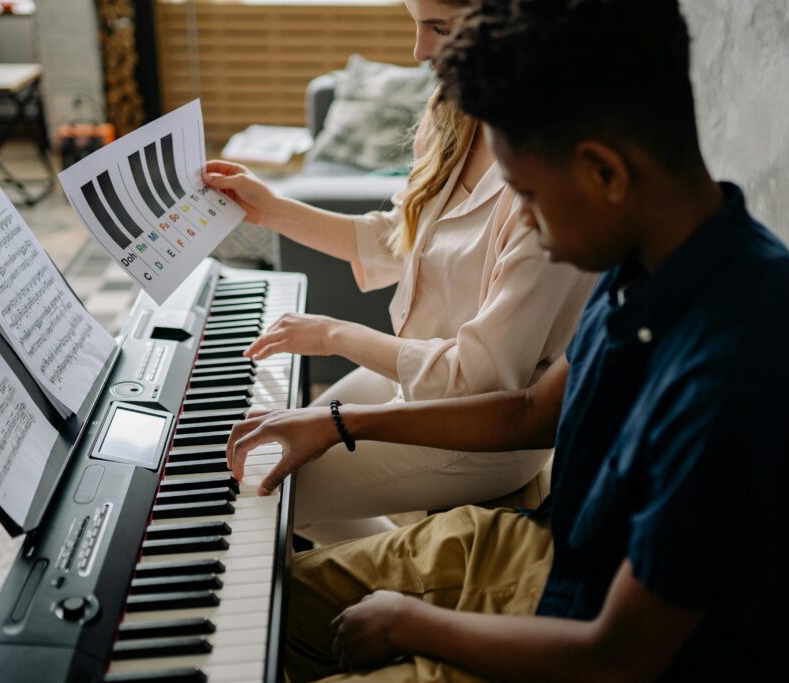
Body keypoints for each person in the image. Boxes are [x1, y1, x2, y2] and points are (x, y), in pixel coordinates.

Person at [226, 0, 789, 680]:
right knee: (264, 610)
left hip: (586, 645)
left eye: (525, 193)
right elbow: (530, 409)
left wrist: (412, 624)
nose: (522, 222)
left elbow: (615, 658)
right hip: (547, 556)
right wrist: (338, 421)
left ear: (604, 173)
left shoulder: (736, 380)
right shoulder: (654, 258)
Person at [203, 0, 596, 544]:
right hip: (414, 375)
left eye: (439, 28)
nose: (419, 51)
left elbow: (476, 381)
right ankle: (382, 570)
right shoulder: (453, 110)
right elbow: (400, 236)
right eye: (414, 25)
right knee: (274, 453)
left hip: (477, 428)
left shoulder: (545, 185)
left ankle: (384, 591)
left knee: (270, 481)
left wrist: (336, 335)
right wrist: (270, 208)